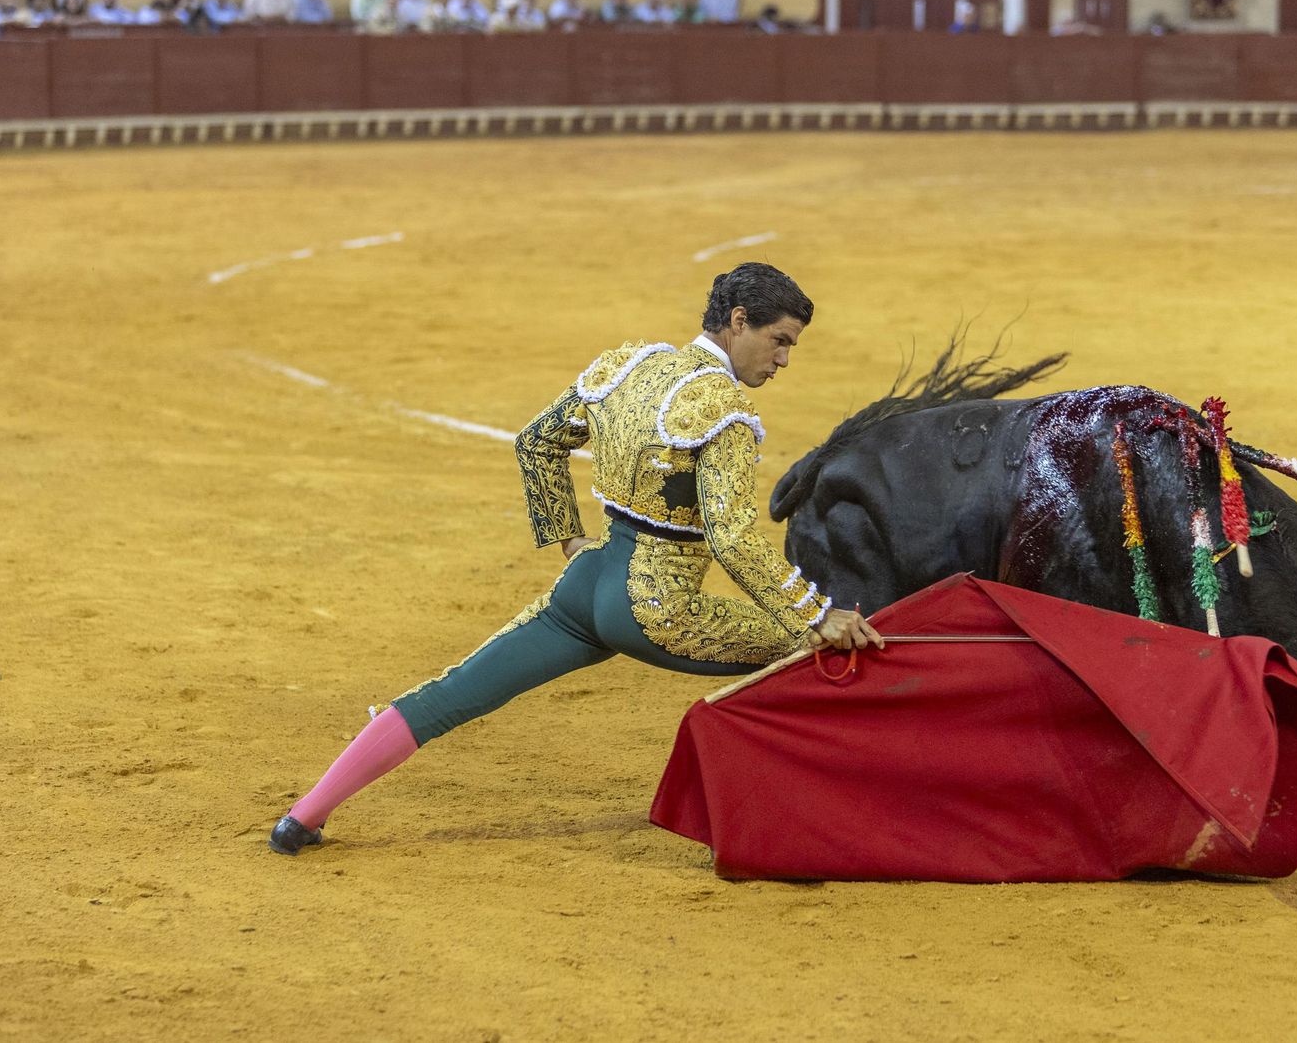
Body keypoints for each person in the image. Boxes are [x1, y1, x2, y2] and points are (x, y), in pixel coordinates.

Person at [268, 264, 882, 855]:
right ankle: (809, 817)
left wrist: (569, 539)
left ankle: (303, 817)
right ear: (739, 320)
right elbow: (734, 539)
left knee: (448, 695)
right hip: (657, 607)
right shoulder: (725, 409)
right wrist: (815, 614)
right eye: (778, 341)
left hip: (583, 586)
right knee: (822, 652)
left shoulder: (626, 367)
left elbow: (537, 442)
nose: (783, 360)